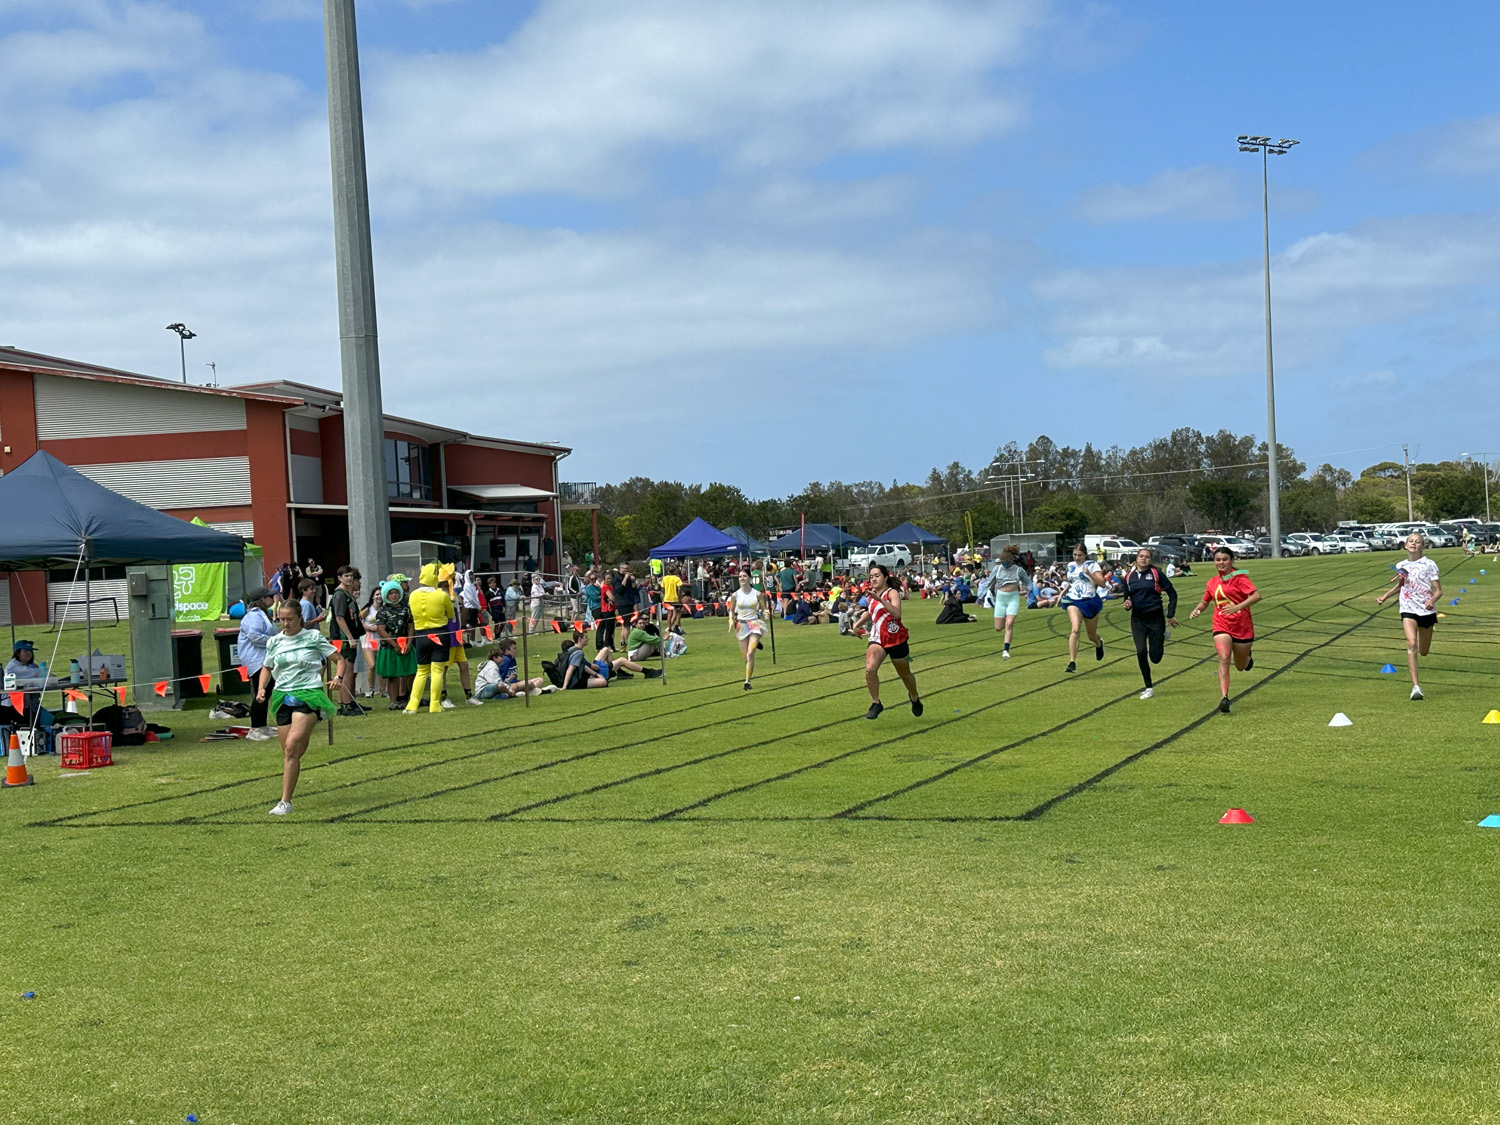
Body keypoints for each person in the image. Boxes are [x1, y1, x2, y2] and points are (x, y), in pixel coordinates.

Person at [257, 600, 338, 816]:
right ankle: (288, 793)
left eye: (290, 619)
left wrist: (338, 678)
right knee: (290, 753)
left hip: (308, 694)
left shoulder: (313, 637)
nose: (285, 623)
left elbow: (338, 659)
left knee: (292, 747)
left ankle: (285, 802)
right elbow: (267, 667)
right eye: (281, 619)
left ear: (300, 618)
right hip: (283, 696)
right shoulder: (274, 641)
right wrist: (261, 688)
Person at [1189, 546, 1261, 715]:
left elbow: (1256, 596)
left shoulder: (1240, 577)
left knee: (1240, 666)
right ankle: (1224, 698)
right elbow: (1205, 601)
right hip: (1221, 625)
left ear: (1231, 560)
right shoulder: (1212, 582)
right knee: (1224, 657)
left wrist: (1237, 607)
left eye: (1225, 559)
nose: (1221, 563)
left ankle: (1247, 658)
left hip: (1242, 627)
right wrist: (1197, 610)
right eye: (1218, 560)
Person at [1376, 532, 1442, 700]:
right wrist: (1385, 596)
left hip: (1426, 611)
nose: (1413, 543)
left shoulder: (1429, 564)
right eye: (1411, 541)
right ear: (1405, 545)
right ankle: (1416, 687)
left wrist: (1432, 600)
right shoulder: (1401, 565)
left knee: (1423, 651)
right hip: (1408, 608)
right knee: (1411, 643)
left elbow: (1438, 591)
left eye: (1417, 542)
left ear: (1422, 546)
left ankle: (1419, 653)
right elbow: (1401, 586)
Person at [856, 562, 922, 720]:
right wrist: (857, 624)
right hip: (878, 638)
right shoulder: (872, 595)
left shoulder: (891, 593)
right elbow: (871, 612)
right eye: (871, 576)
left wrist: (880, 599)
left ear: (885, 577)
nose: (873, 579)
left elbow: (897, 613)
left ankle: (914, 697)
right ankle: (876, 703)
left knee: (904, 674)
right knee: (870, 668)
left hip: (896, 638)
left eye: (877, 576)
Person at [1120, 547, 1180, 700]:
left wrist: (1170, 615)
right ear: (1136, 558)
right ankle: (1148, 687)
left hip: (1155, 619)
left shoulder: (1156, 574)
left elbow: (1172, 594)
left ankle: (1162, 634)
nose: (1144, 559)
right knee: (1141, 651)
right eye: (1141, 556)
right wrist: (1127, 604)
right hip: (1138, 621)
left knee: (1155, 658)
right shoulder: (1129, 577)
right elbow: (1127, 597)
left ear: (1150, 559)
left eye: (1147, 557)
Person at [403, 562, 454, 715]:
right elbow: (450, 614)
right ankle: (435, 704)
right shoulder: (442, 595)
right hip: (440, 634)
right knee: (437, 670)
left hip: (421, 635)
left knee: (421, 671)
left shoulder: (413, 595)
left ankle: (412, 704)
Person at [235, 586, 279, 739]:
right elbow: (255, 636)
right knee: (261, 693)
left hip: (264, 658)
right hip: (256, 659)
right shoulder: (253, 616)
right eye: (270, 596)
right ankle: (255, 728)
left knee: (266, 692)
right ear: (262, 599)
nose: (273, 599)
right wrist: (275, 640)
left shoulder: (263, 614)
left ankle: (262, 725)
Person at [1060, 543, 1108, 673]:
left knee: (1091, 635)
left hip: (1089, 600)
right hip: (1073, 600)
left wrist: (1090, 574)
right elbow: (1072, 583)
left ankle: (1099, 643)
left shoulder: (1092, 565)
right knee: (1075, 629)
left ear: (1085, 555)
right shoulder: (1071, 565)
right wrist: (1062, 593)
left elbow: (1102, 583)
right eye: (1074, 555)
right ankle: (1072, 662)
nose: (1077, 558)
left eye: (1080, 555)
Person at [327, 565, 367, 717]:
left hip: (350, 637)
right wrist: (349, 637)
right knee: (347, 671)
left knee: (349, 671)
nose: (349, 578)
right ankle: (346, 705)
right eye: (346, 576)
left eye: (351, 576)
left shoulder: (347, 594)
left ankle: (349, 702)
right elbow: (339, 617)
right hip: (342, 639)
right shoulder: (339, 595)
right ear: (339, 578)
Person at [373, 580, 416, 709]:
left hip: (405, 646)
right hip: (389, 648)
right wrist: (394, 644)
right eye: (390, 593)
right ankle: (393, 701)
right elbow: (381, 630)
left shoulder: (406, 609)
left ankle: (407, 697)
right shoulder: (382, 611)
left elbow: (410, 626)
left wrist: (409, 643)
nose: (394, 595)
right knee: (392, 676)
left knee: (409, 673)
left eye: (396, 592)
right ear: (386, 595)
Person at [728, 569, 770, 690]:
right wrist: (730, 620)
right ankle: (755, 644)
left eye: (744, 576)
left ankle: (747, 682)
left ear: (749, 578)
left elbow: (764, 608)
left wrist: (766, 613)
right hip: (742, 625)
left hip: (754, 623)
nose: (742, 578)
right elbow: (731, 611)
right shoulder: (735, 595)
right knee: (745, 657)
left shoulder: (757, 594)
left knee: (750, 653)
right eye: (740, 576)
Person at [474, 640, 551, 699]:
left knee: (539, 680)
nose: (502, 659)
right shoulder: (496, 665)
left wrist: (509, 680)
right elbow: (498, 682)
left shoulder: (511, 659)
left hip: (509, 684)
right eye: (514, 648)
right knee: (529, 683)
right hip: (492, 688)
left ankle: (525, 692)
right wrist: (509, 686)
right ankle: (525, 692)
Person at [988, 546, 1028, 658]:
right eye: (1003, 563)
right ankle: (1004, 617)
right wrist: (980, 597)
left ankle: (1006, 650)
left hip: (1013, 598)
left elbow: (1028, 582)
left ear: (1011, 560)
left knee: (1009, 624)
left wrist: (1031, 592)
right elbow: (989, 582)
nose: (1005, 565)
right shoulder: (997, 569)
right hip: (1001, 599)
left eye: (1007, 563)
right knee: (998, 628)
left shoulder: (1018, 570)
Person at [4, 639, 47, 720]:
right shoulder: (13, 666)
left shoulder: (33, 666)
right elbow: (43, 674)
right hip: (13, 706)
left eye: (30, 651)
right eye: (25, 651)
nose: (29, 653)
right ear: (17, 653)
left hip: (29, 704)